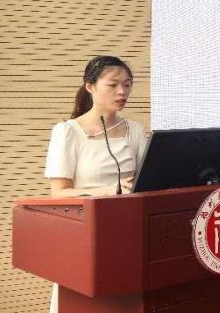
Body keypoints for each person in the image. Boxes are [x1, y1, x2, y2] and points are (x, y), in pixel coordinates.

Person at [43, 55, 148, 312]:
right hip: (84, 237)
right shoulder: (67, 131)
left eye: (127, 84)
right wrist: (109, 191)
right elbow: (59, 193)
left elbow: (146, 183)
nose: (122, 91)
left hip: (127, 235)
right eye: (113, 85)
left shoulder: (135, 130)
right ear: (89, 86)